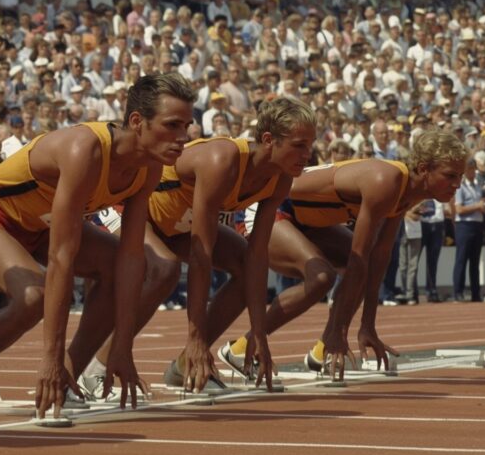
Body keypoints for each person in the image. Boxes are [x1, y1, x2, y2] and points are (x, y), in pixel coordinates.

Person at [0, 73, 193, 425]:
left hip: (39, 225)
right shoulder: (85, 150)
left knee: (128, 266)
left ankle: (68, 378)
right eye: (172, 125)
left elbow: (130, 257)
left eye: (187, 125)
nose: (184, 137)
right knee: (34, 295)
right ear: (137, 122)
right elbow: (61, 257)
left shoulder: (150, 167)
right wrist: (49, 356)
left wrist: (122, 345)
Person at [71, 96, 317, 397]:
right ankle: (98, 368)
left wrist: (259, 335)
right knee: (164, 268)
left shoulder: (280, 179)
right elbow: (202, 254)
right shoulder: (222, 161)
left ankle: (186, 363)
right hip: (134, 211)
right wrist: (194, 336)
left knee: (244, 262)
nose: (308, 154)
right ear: (269, 140)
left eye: (310, 145)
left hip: (177, 227)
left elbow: (257, 256)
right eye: (299, 145)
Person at [221, 130, 467, 379]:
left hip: (306, 219)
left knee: (361, 268)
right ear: (424, 169)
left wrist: (368, 325)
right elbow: (359, 257)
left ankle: (323, 351)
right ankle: (243, 348)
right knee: (321, 278)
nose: (457, 184)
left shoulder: (405, 194)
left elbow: (379, 257)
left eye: (460, 176)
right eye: (450, 176)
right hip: (267, 206)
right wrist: (342, 331)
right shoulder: (386, 181)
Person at [451, 158, 485, 302]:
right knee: (461, 259)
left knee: (475, 261)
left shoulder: (477, 186)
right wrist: (477, 206)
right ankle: (458, 292)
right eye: (469, 168)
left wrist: (482, 207)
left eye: (473, 168)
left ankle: (475, 293)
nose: (472, 171)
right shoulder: (460, 186)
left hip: (477, 224)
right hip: (464, 226)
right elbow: (459, 209)